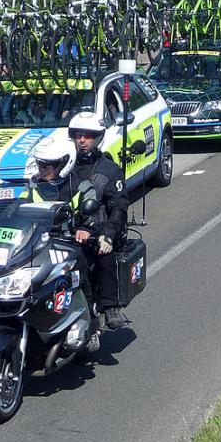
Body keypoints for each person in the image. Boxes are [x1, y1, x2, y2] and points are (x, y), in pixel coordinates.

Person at [65, 112, 131, 329]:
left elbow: (119, 208)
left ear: (98, 137)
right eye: (78, 135)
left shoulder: (110, 170)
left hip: (99, 231)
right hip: (67, 231)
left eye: (88, 136)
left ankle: (109, 307)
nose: (82, 140)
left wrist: (108, 235)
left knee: (103, 255)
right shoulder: (64, 167)